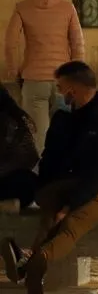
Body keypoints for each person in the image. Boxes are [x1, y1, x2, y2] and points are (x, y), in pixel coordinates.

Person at [0, 61, 98, 294]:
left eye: (60, 88)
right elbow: (50, 160)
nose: (58, 94)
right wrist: (49, 193)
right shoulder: (62, 120)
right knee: (48, 220)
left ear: (74, 89)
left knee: (71, 223)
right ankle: (29, 265)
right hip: (67, 183)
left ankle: (37, 260)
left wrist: (70, 205)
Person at [4, 0, 85, 153]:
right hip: (63, 83)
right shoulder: (68, 8)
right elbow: (78, 44)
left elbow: (10, 43)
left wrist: (14, 72)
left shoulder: (22, 7)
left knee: (37, 136)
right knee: (64, 133)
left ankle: (40, 179)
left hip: (33, 80)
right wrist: (77, 77)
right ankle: (60, 176)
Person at [0, 84, 39, 212]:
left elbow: (27, 157)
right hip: (15, 180)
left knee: (26, 181)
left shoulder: (9, 122)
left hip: (10, 178)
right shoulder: (15, 119)